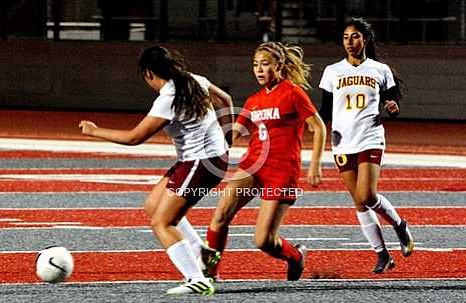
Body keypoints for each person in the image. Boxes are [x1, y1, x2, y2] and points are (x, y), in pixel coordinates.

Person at [79, 46, 233, 295]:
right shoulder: (194, 80)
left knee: (162, 223)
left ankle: (197, 278)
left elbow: (134, 138)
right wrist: (227, 141)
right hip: (202, 159)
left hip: (201, 163)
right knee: (153, 204)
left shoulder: (169, 98)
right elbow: (225, 101)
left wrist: (94, 131)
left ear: (148, 74)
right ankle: (201, 254)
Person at [204, 42, 327, 281]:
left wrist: (315, 165)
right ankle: (209, 274)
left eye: (265, 64)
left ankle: (295, 256)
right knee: (220, 215)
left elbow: (318, 127)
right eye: (255, 65)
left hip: (282, 170)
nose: (259, 70)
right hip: (252, 165)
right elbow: (232, 135)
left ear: (279, 65)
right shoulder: (254, 100)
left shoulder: (293, 93)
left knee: (264, 241)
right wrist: (207, 120)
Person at [318, 18, 414, 274]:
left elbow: (392, 102)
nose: (350, 42)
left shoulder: (379, 70)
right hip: (341, 142)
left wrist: (393, 108)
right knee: (359, 203)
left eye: (355, 37)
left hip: (370, 137)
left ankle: (399, 225)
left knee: (367, 195)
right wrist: (309, 124)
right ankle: (382, 254)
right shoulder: (332, 71)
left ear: (366, 40)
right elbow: (325, 110)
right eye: (346, 37)